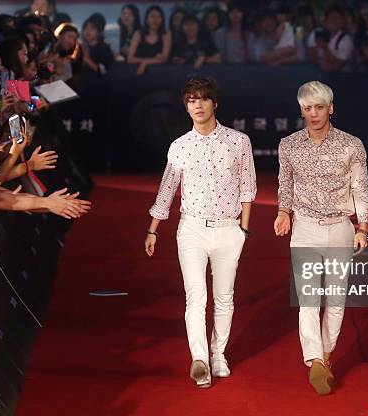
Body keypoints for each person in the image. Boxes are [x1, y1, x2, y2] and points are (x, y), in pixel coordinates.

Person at [145, 77, 256, 388]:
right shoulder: (179, 146)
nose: (197, 105)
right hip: (191, 228)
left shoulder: (238, 141)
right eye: (191, 100)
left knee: (224, 297)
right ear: (186, 106)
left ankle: (218, 354)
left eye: (203, 99)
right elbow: (167, 189)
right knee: (196, 296)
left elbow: (248, 189)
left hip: (229, 230)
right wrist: (153, 228)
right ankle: (200, 358)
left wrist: (243, 230)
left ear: (214, 103)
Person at [274, 81, 368, 395]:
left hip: (341, 227)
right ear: (301, 109)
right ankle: (315, 358)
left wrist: (363, 227)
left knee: (337, 301)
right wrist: (283, 212)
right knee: (308, 301)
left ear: (331, 107)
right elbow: (284, 184)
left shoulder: (351, 145)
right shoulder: (288, 145)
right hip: (304, 229)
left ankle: (325, 357)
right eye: (307, 108)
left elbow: (360, 188)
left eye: (318, 107)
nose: (313, 114)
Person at [127, 5, 171, 76]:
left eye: (159, 16)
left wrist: (145, 62)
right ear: (147, 19)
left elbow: (164, 59)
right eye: (152, 16)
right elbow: (130, 59)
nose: (155, 19)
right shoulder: (138, 33)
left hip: (159, 73)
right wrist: (152, 60)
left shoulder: (166, 33)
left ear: (162, 19)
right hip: (138, 72)